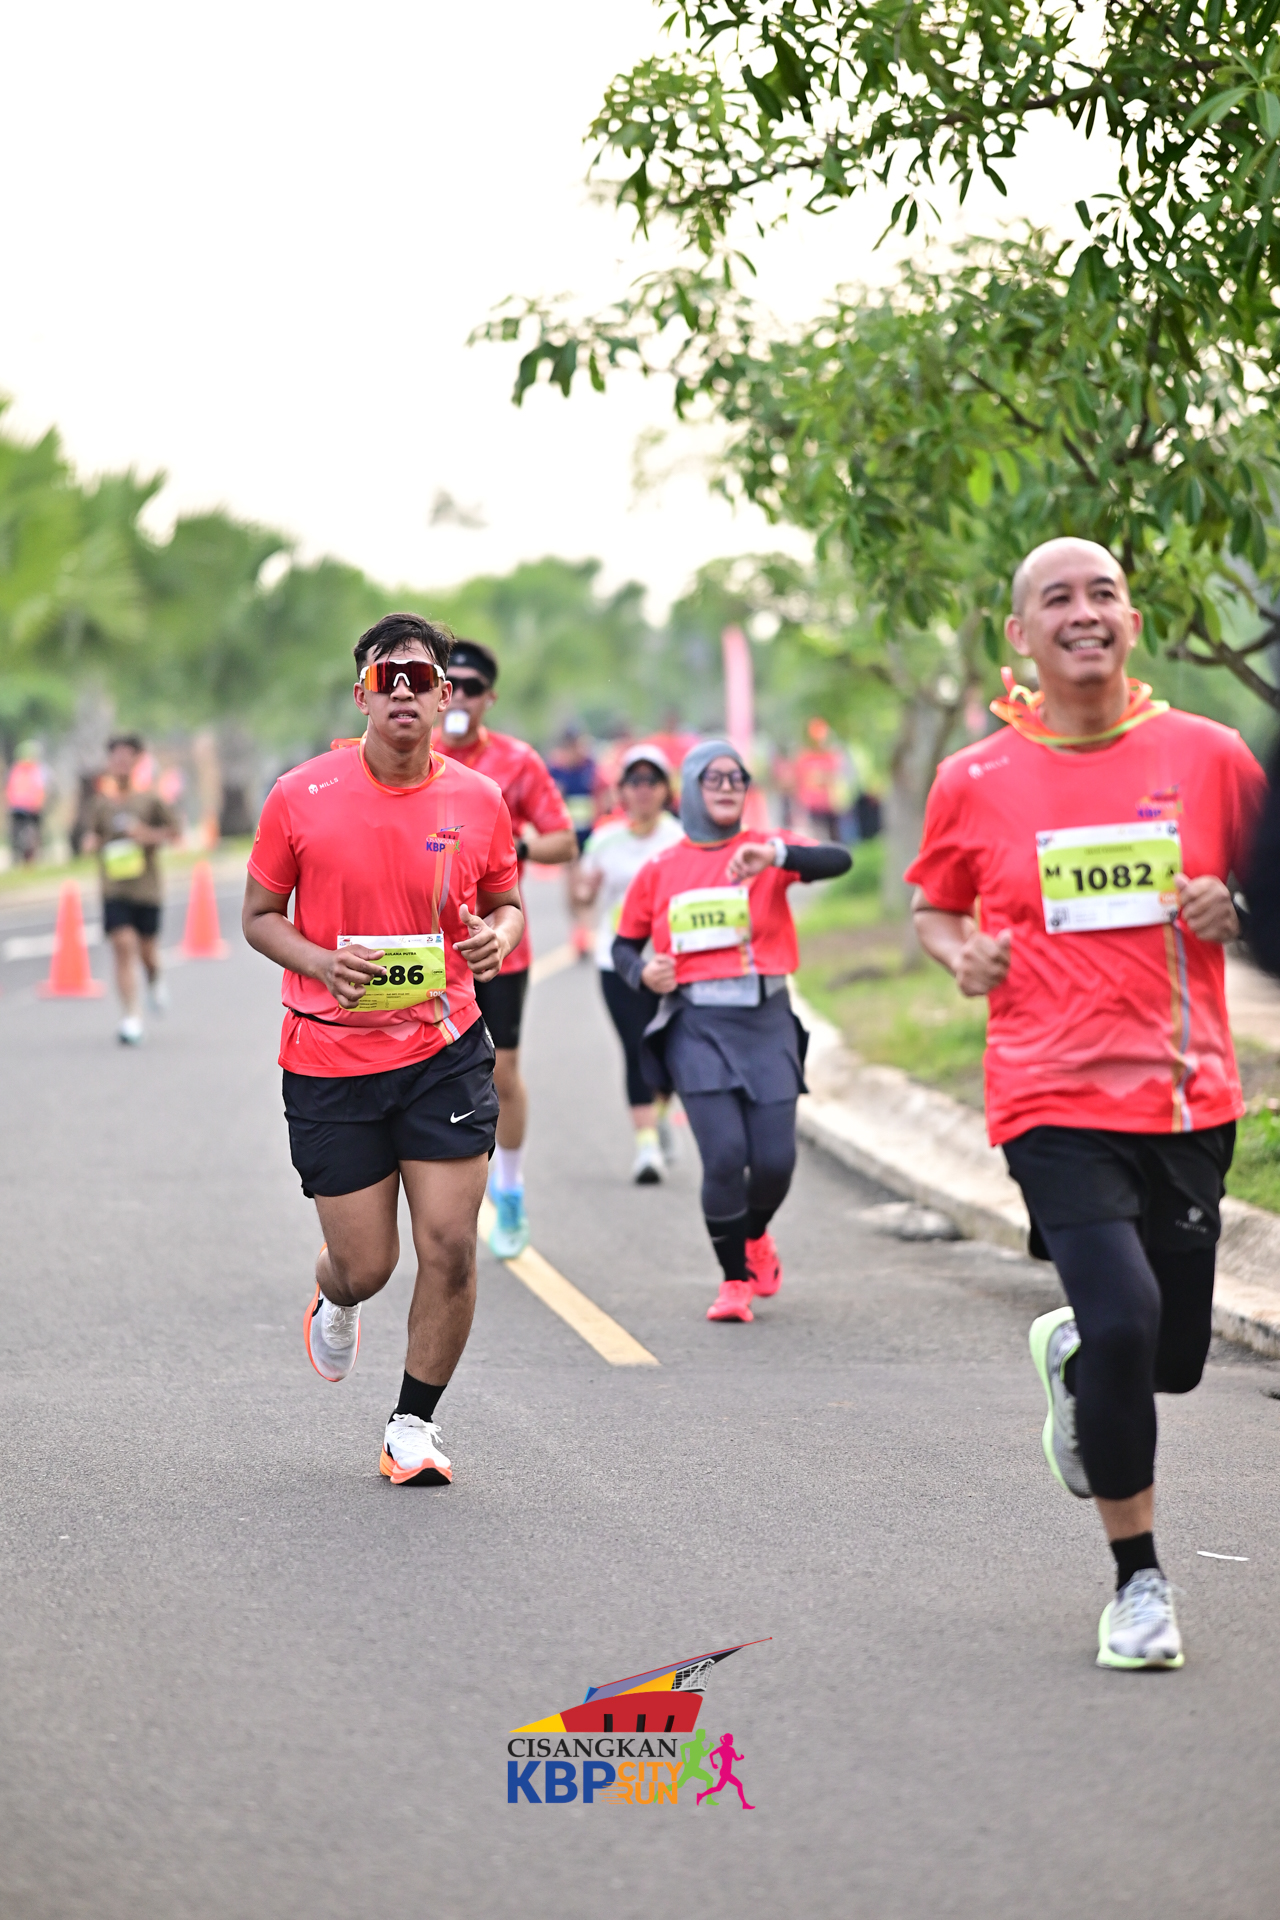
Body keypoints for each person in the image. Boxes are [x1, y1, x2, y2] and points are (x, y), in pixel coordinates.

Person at [906, 536, 1266, 1670]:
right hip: (1047, 1091)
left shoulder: (1209, 756)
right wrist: (959, 955)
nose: (1083, 611)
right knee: (1122, 1321)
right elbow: (934, 907)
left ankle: (1076, 1356)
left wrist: (1237, 907)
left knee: (1169, 1358)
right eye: (1055, 597)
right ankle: (1138, 1583)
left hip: (1186, 1091)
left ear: (1131, 621)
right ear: (1020, 635)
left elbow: (1270, 886)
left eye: (1102, 592)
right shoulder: (974, 777)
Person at [242, 612, 524, 1488]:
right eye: (386, 676)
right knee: (369, 1265)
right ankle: (334, 1295)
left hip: (444, 1050)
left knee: (451, 1243)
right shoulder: (300, 795)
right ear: (361, 694)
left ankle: (413, 1425)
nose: (404, 690)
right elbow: (258, 918)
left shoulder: (478, 799)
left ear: (445, 699)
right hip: (330, 1058)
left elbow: (509, 903)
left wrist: (500, 938)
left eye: (422, 677)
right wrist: (321, 963)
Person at [613, 740, 851, 1320]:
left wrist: (774, 855)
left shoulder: (765, 851)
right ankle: (733, 1280)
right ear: (692, 787)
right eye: (714, 777)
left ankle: (755, 1233)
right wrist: (644, 972)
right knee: (724, 1156)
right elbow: (622, 946)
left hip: (766, 1020)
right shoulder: (661, 868)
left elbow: (839, 860)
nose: (727, 786)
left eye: (737, 777)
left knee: (775, 1163)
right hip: (695, 1025)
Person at [434, 638, 576, 1258]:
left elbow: (564, 841)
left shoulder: (516, 762)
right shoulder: (413, 754)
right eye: (452, 685)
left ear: (488, 697)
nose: (459, 698)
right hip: (423, 950)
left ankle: (510, 1192)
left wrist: (512, 844)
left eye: (472, 688)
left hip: (497, 946)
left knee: (501, 1071)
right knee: (423, 1073)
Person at [574, 744, 684, 1182]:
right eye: (634, 781)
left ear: (666, 790)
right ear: (621, 790)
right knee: (636, 1048)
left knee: (672, 1052)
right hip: (618, 962)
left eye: (651, 781)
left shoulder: (681, 838)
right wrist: (585, 890)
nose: (643, 789)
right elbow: (584, 896)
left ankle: (660, 1117)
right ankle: (647, 1147)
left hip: (672, 962)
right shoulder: (605, 840)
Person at [82, 734, 182, 1045]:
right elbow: (91, 837)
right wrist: (91, 843)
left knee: (147, 952)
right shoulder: (100, 803)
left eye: (127, 759)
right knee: (123, 946)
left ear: (137, 762)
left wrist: (145, 835)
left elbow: (175, 833)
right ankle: (131, 1017)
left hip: (146, 890)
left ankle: (154, 979)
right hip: (114, 889)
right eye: (116, 759)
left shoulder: (150, 800)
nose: (121, 765)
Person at [547, 724, 602, 958]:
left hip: (590, 838)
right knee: (571, 890)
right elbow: (548, 802)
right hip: (567, 838)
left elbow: (603, 795)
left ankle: (585, 932)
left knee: (585, 888)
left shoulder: (590, 767)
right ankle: (578, 930)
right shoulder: (556, 771)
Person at [6, 740, 49, 864]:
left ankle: (30, 855)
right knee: (19, 833)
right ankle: (19, 855)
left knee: (30, 833)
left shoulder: (31, 770)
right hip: (21, 808)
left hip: (28, 808)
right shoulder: (21, 770)